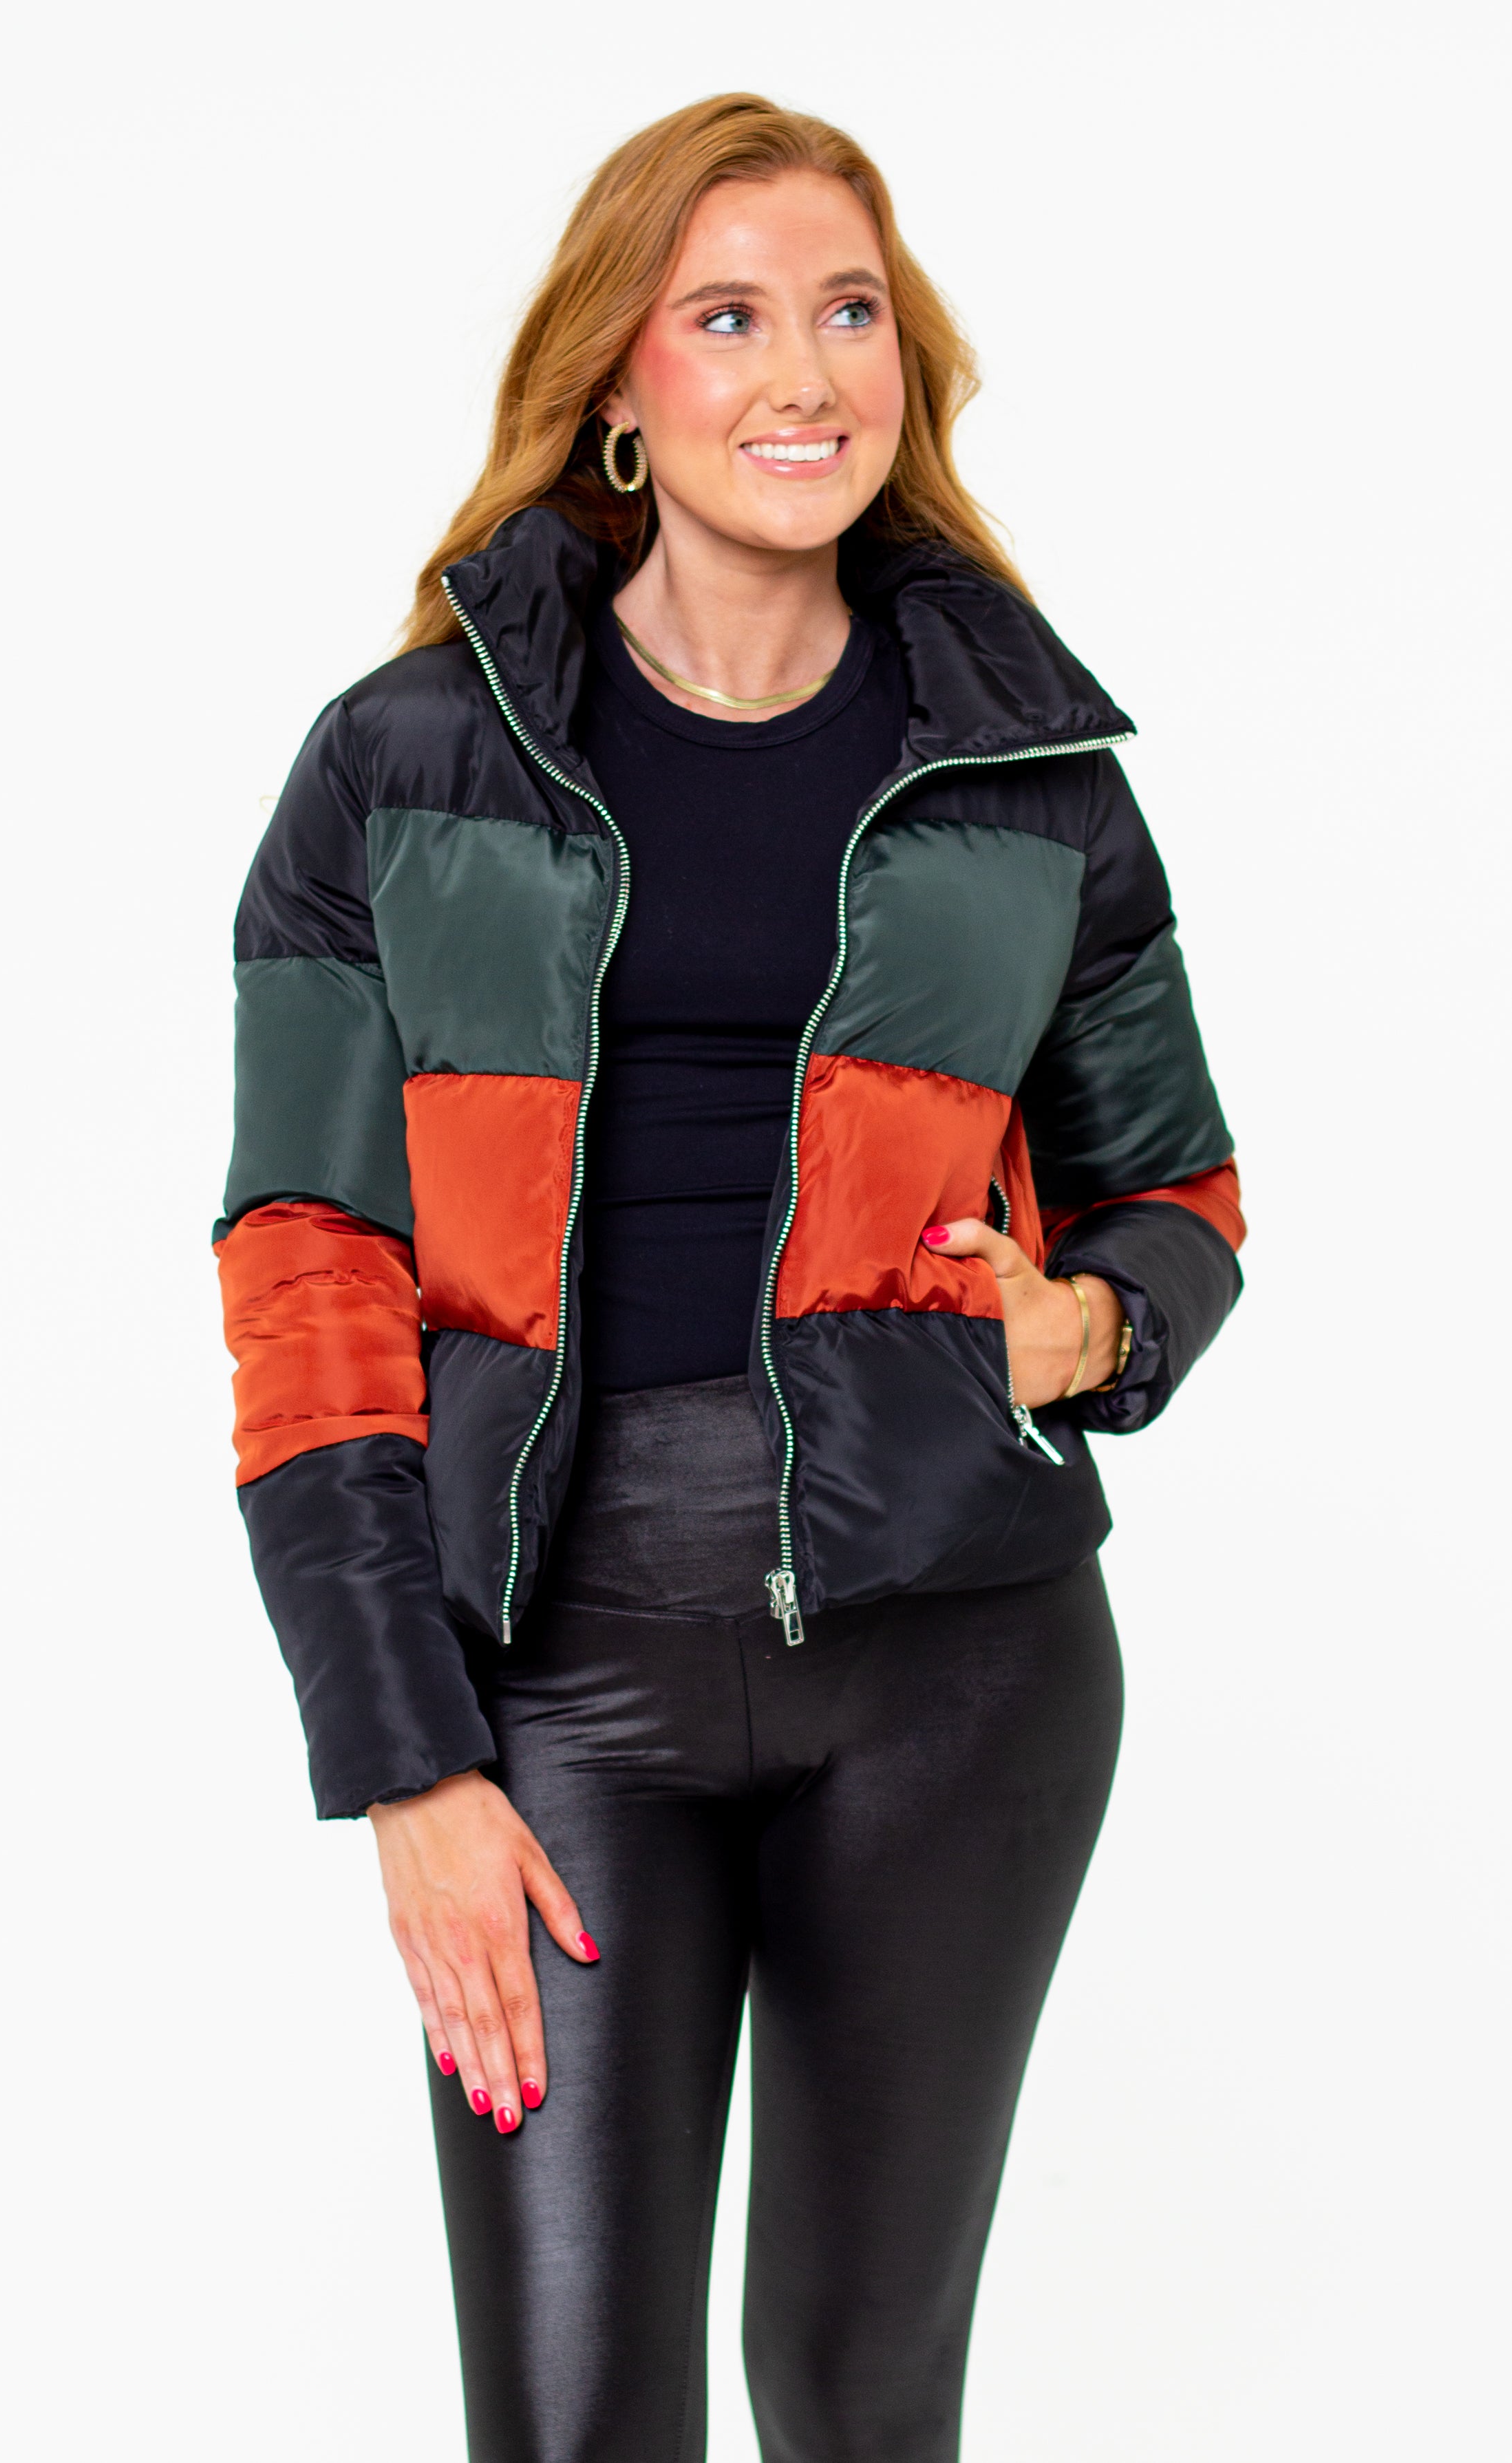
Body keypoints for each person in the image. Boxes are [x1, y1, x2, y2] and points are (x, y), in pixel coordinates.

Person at [215, 91, 1244, 2463]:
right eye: (730, 316)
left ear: (906, 363)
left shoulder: (1029, 781)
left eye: (848, 312)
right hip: (554, 1676)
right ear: (620, 381)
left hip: (960, 1662)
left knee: (860, 2403)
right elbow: (307, 1277)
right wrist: (404, 1756)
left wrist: (1087, 1325)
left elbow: (1174, 1194)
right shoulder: (400, 766)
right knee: (574, 2423)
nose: (803, 372)